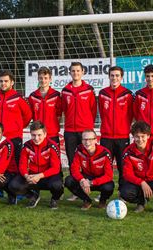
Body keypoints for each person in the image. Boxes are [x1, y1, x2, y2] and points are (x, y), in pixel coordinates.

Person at [61, 62, 97, 201]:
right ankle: (76, 191)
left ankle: (89, 186)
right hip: (70, 131)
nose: (75, 73)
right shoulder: (65, 90)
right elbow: (64, 109)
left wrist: (87, 127)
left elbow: (93, 110)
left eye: (78, 70)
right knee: (73, 161)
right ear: (70, 72)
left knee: (87, 161)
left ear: (82, 72)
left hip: (85, 132)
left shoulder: (89, 90)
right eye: (73, 71)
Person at [8, 121, 64, 209]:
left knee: (58, 185)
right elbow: (22, 165)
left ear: (45, 134)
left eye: (39, 135)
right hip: (32, 176)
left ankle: (54, 199)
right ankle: (33, 196)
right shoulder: (26, 146)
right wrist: (26, 176)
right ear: (30, 134)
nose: (36, 138)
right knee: (13, 185)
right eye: (33, 135)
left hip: (47, 176)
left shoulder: (52, 146)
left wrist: (40, 176)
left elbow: (56, 168)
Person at [0, 70, 32, 166]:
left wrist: (17, 127)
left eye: (6, 81)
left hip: (14, 137)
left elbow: (28, 116)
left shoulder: (19, 98)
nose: (3, 83)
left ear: (12, 82)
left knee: (16, 165)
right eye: (1, 81)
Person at [98, 66, 133, 191]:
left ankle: (122, 192)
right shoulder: (103, 93)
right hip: (106, 137)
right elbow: (102, 113)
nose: (114, 78)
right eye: (112, 75)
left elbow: (130, 115)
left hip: (122, 137)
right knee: (104, 166)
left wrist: (123, 129)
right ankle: (104, 192)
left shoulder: (127, 94)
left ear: (121, 77)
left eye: (117, 75)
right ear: (109, 76)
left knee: (123, 167)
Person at [65, 129, 114, 210]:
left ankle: (103, 201)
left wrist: (91, 183)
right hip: (86, 178)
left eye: (90, 139)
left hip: (99, 180)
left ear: (96, 140)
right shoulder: (79, 150)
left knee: (109, 186)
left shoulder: (104, 153)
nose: (87, 142)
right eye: (84, 139)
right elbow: (74, 169)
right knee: (68, 181)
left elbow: (109, 175)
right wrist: (82, 180)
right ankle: (86, 200)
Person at [28, 66, 62, 146]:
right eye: (41, 78)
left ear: (50, 79)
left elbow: (59, 115)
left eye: (46, 78)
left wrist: (52, 127)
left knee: (54, 158)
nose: (43, 80)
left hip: (52, 134)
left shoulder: (56, 95)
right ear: (38, 79)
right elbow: (31, 115)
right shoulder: (33, 96)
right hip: (37, 135)